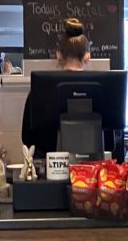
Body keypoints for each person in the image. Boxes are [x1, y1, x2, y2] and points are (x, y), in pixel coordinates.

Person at [21, 18, 90, 153]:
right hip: (92, 165)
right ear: (87, 56)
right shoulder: (102, 91)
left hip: (49, 163)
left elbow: (27, 138)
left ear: (58, 55)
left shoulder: (39, 89)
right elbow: (110, 140)